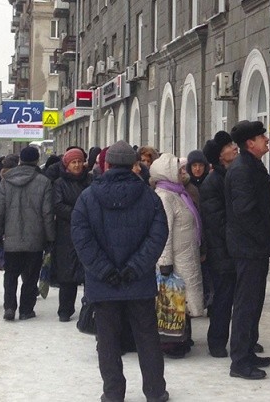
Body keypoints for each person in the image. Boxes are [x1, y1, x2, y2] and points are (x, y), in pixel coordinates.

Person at [73, 141, 170, 402]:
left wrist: (105, 271)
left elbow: (82, 239)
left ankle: (113, 393)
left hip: (103, 286)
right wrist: (134, 268)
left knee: (108, 342)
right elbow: (158, 234)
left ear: (107, 165)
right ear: (134, 165)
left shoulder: (88, 197)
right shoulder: (150, 197)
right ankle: (155, 391)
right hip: (138, 283)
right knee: (147, 338)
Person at [224, 120, 270, 380]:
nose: (266, 139)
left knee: (254, 302)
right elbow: (245, 212)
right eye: (261, 137)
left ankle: (248, 350)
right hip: (248, 248)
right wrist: (264, 236)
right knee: (246, 303)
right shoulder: (243, 169)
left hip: (253, 247)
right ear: (250, 143)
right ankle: (240, 361)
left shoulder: (250, 165)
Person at [0, 145, 56, 321]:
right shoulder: (43, 182)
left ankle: (10, 307)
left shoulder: (6, 180)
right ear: (36, 160)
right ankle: (26, 309)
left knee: (10, 274)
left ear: (20, 160)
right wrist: (50, 237)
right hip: (35, 239)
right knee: (31, 275)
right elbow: (47, 213)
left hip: (11, 239)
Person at [150, 153, 205, 358]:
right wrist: (165, 263)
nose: (185, 172)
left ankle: (183, 337)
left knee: (184, 300)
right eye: (180, 170)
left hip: (186, 255)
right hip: (175, 259)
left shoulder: (178, 193)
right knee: (174, 301)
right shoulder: (165, 196)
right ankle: (171, 343)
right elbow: (164, 232)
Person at [199, 131, 240, 358]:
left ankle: (242, 339)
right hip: (221, 251)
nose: (234, 148)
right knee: (223, 299)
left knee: (236, 298)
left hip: (232, 249)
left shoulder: (230, 175)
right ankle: (216, 341)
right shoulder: (213, 182)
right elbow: (216, 221)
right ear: (220, 156)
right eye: (229, 146)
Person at [52, 147, 91, 322]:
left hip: (89, 232)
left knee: (89, 272)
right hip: (66, 234)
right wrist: (80, 213)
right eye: (73, 162)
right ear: (67, 165)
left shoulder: (90, 181)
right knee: (67, 275)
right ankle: (65, 310)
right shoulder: (59, 183)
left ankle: (89, 309)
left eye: (79, 161)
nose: (76, 165)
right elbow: (58, 206)